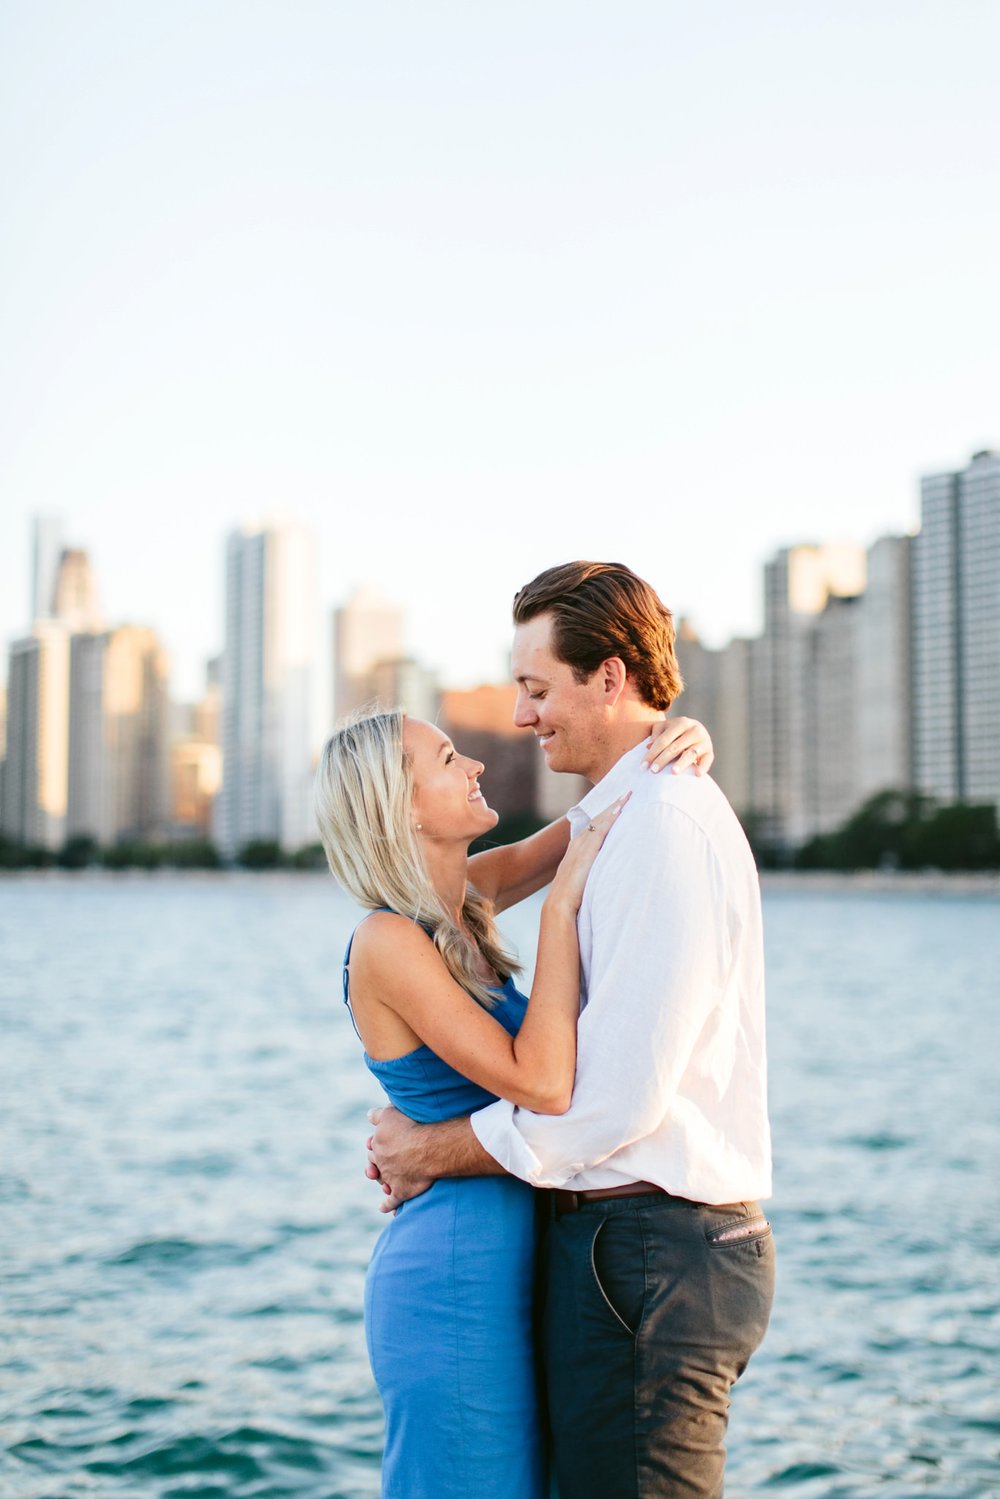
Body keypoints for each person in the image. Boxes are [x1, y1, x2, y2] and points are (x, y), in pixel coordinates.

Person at [368, 560, 775, 1499]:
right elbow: (526, 859)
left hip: (651, 1249)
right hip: (607, 1248)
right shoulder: (625, 815)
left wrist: (433, 1148)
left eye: (537, 687)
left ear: (610, 677)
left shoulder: (664, 823)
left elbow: (612, 1103)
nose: (518, 719)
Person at [315, 704, 714, 1499]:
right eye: (450, 758)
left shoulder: (467, 900)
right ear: (399, 804)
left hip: (524, 1261)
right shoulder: (387, 942)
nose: (475, 767)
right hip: (451, 1276)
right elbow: (540, 1081)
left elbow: (584, 822)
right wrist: (562, 912)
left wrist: (673, 746)